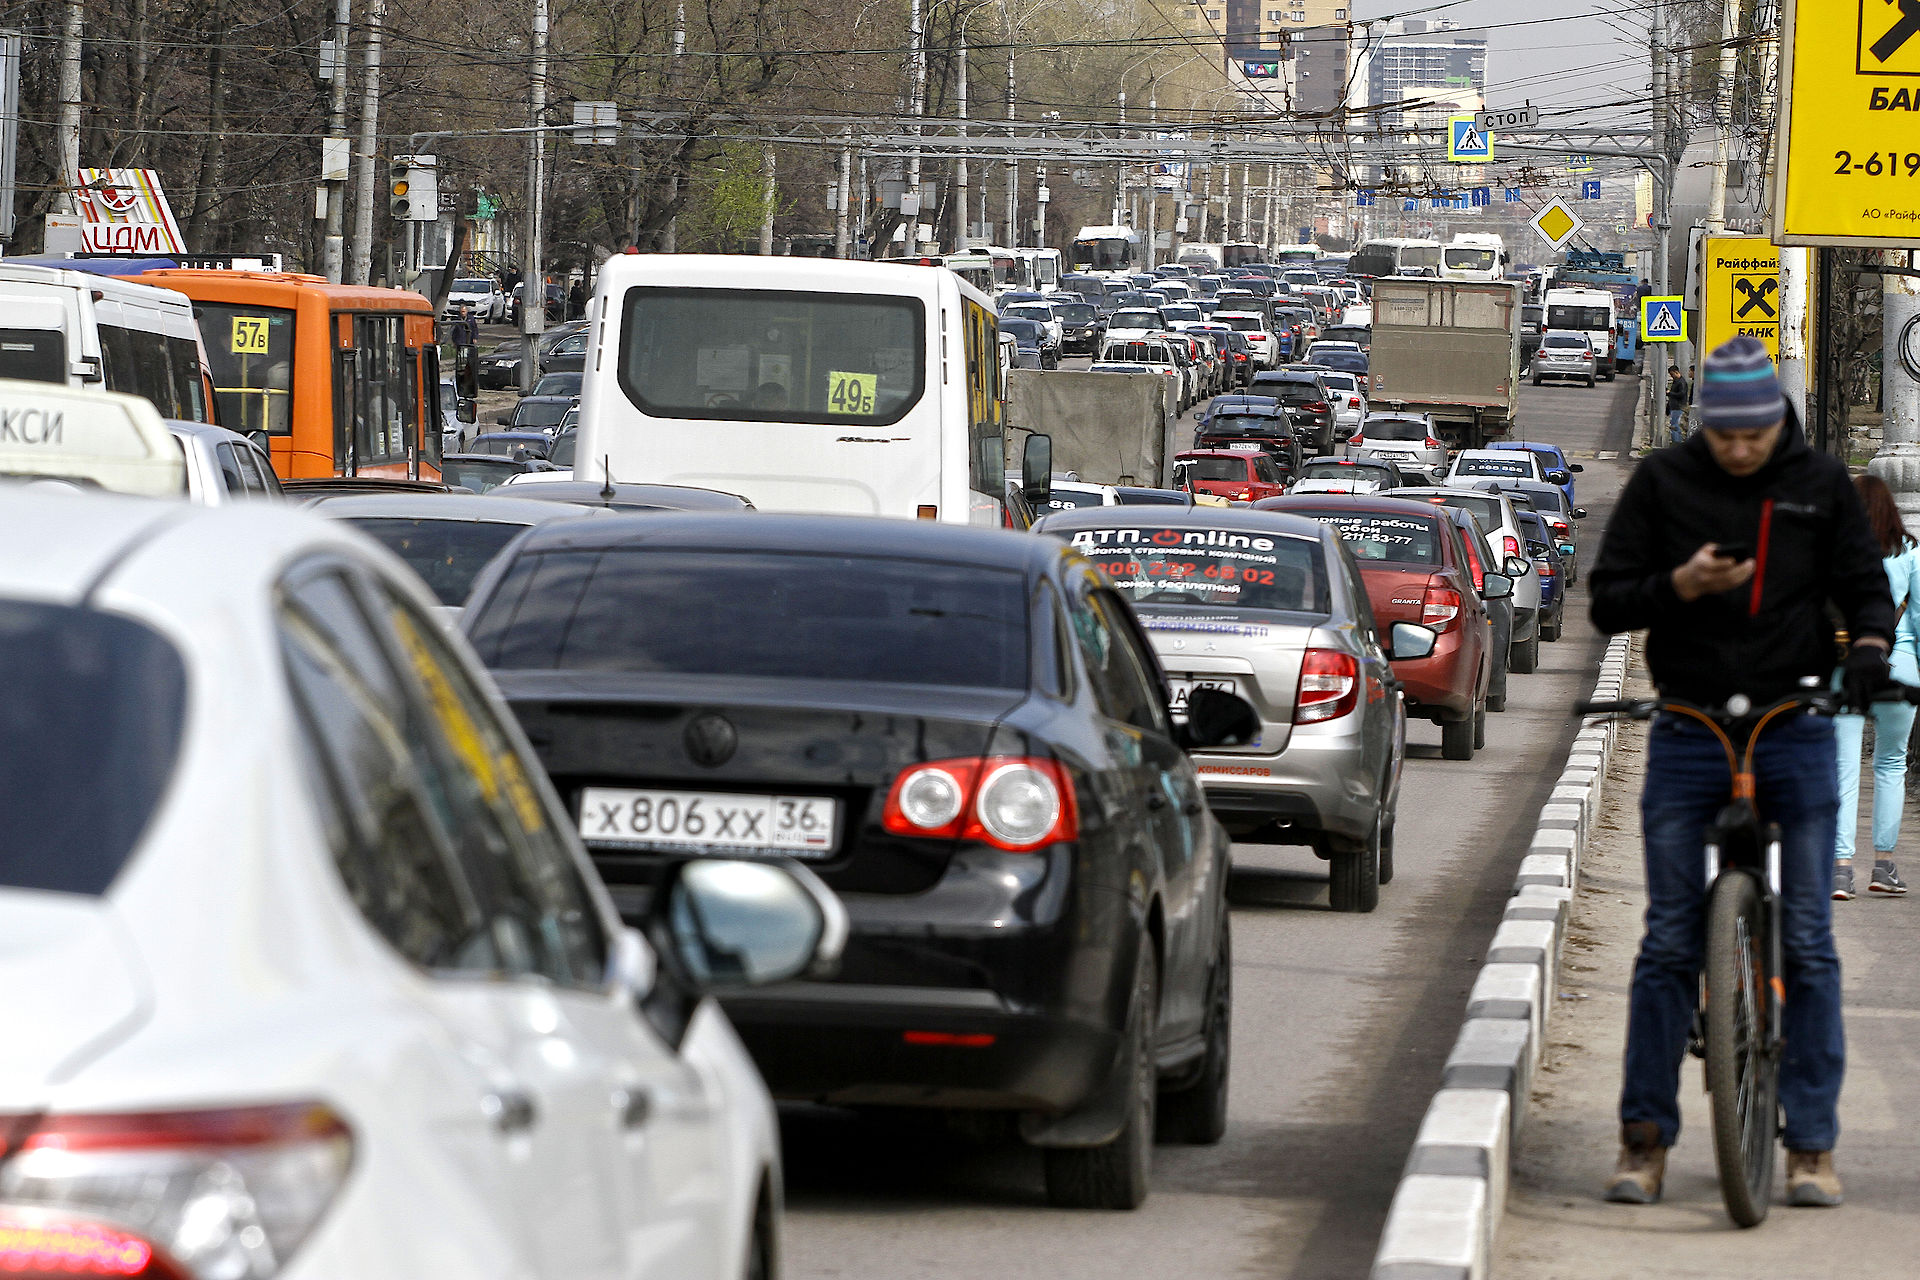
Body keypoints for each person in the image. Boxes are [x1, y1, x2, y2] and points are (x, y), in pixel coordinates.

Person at [1589, 335, 1896, 1210]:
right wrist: (1677, 585)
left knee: (1807, 941)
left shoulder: (1818, 486)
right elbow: (1609, 599)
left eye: (1751, 437)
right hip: (1688, 728)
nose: (1737, 451)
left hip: (1791, 726)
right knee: (1667, 942)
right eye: (1723, 437)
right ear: (1707, 426)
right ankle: (1643, 1140)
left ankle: (1810, 1146)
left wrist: (1870, 648)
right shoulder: (1665, 482)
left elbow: (1866, 589)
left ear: (1775, 422)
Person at [1833, 473, 1919, 899]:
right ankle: (1883, 866)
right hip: (1899, 666)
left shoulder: (1837, 551)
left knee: (1843, 767)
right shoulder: (1912, 553)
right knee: (1890, 765)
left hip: (1845, 664)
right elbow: (1918, 622)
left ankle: (1840, 869)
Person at [1665, 365, 1690, 445]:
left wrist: (1670, 393)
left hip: (1678, 407)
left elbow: (1681, 394)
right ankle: (1675, 442)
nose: (1672, 377)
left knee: (1675, 426)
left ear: (1676, 372)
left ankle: (1677, 443)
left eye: (1672, 374)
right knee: (1673, 425)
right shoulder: (1676, 382)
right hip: (1674, 406)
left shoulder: (1681, 382)